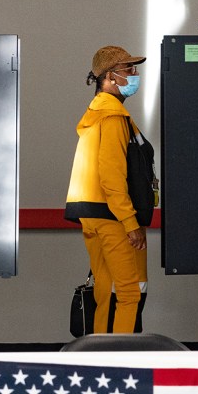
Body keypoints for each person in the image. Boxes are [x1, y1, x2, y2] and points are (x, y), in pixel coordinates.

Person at [65, 45, 149, 333]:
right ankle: (120, 363)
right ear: (111, 77)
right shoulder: (112, 116)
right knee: (128, 294)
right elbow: (111, 174)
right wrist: (129, 221)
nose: (135, 74)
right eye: (129, 70)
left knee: (104, 291)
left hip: (91, 214)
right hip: (112, 215)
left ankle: (97, 356)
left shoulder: (95, 113)